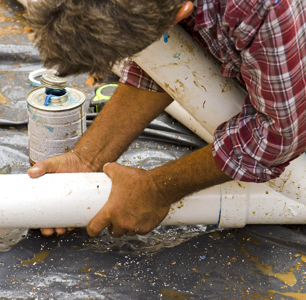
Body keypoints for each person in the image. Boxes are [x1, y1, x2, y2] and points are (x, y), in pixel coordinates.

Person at [26, 0, 306, 237]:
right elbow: (167, 59)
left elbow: (279, 135)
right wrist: (86, 159)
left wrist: (157, 190)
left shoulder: (266, 9)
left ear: (181, 11)